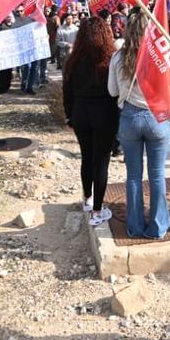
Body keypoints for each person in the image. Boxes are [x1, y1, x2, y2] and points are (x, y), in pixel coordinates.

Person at [107, 12, 170, 238]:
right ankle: (158, 227)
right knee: (157, 175)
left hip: (130, 118)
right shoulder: (161, 57)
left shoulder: (118, 57)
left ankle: (134, 227)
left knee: (133, 175)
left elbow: (112, 91)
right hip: (157, 118)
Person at [62, 17, 120, 224]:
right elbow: (116, 93)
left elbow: (66, 91)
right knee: (101, 161)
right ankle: (97, 211)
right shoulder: (111, 59)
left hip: (80, 113)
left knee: (86, 157)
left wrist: (69, 115)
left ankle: (87, 200)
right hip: (105, 113)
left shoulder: (72, 61)